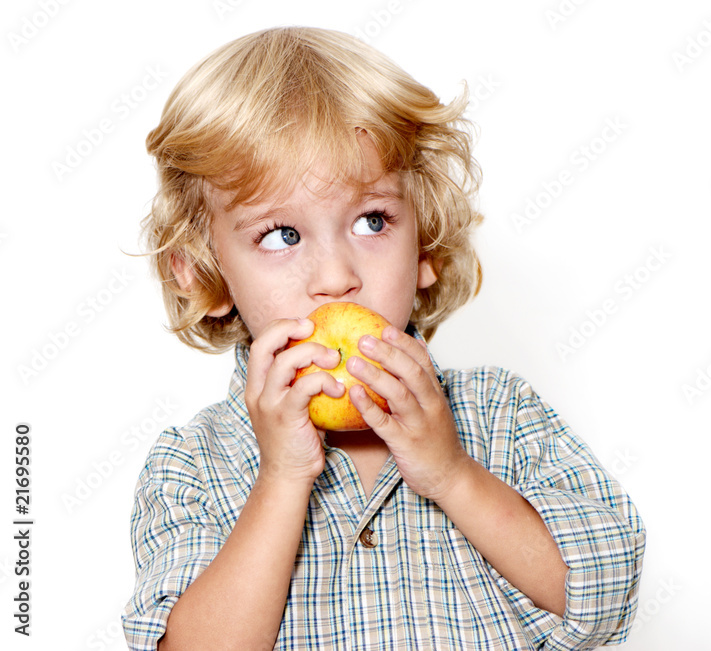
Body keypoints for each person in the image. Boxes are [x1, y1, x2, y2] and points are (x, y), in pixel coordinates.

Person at [122, 26, 645, 650]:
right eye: (281, 235)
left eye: (372, 221)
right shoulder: (192, 465)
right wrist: (282, 481)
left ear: (424, 243)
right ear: (205, 274)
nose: (338, 277)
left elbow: (605, 598)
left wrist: (452, 475)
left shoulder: (501, 416)